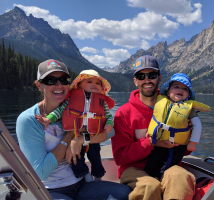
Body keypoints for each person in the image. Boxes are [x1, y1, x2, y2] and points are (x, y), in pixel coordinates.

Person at [16, 59, 131, 200]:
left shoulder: (78, 106)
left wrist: (81, 139)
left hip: (82, 183)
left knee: (126, 194)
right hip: (51, 190)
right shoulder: (29, 120)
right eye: (50, 80)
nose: (59, 85)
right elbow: (41, 172)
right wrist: (69, 138)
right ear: (39, 85)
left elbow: (108, 133)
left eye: (64, 80)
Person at [111, 55, 195, 200]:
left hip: (167, 165)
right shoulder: (123, 113)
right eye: (141, 76)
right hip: (134, 169)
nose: (147, 80)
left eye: (152, 75)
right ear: (135, 81)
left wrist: (186, 133)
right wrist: (150, 143)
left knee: (181, 177)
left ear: (159, 78)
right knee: (149, 186)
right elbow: (120, 158)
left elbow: (185, 151)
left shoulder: (176, 107)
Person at [36, 69, 114, 181]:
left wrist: (109, 123)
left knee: (95, 157)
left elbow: (108, 115)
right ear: (79, 84)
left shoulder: (102, 101)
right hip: (75, 135)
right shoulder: (71, 98)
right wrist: (48, 119)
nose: (94, 85)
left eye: (98, 83)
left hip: (93, 137)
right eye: (89, 81)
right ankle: (85, 176)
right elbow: (59, 111)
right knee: (76, 158)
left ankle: (98, 176)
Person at [144, 73, 211, 179]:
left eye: (185, 88)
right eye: (176, 87)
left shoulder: (189, 109)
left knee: (169, 168)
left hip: (177, 147)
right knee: (152, 163)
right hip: (158, 143)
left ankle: (164, 183)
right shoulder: (161, 101)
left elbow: (197, 125)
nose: (181, 90)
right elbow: (153, 117)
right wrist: (149, 131)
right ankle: (151, 180)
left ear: (188, 94)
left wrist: (193, 143)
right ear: (168, 90)